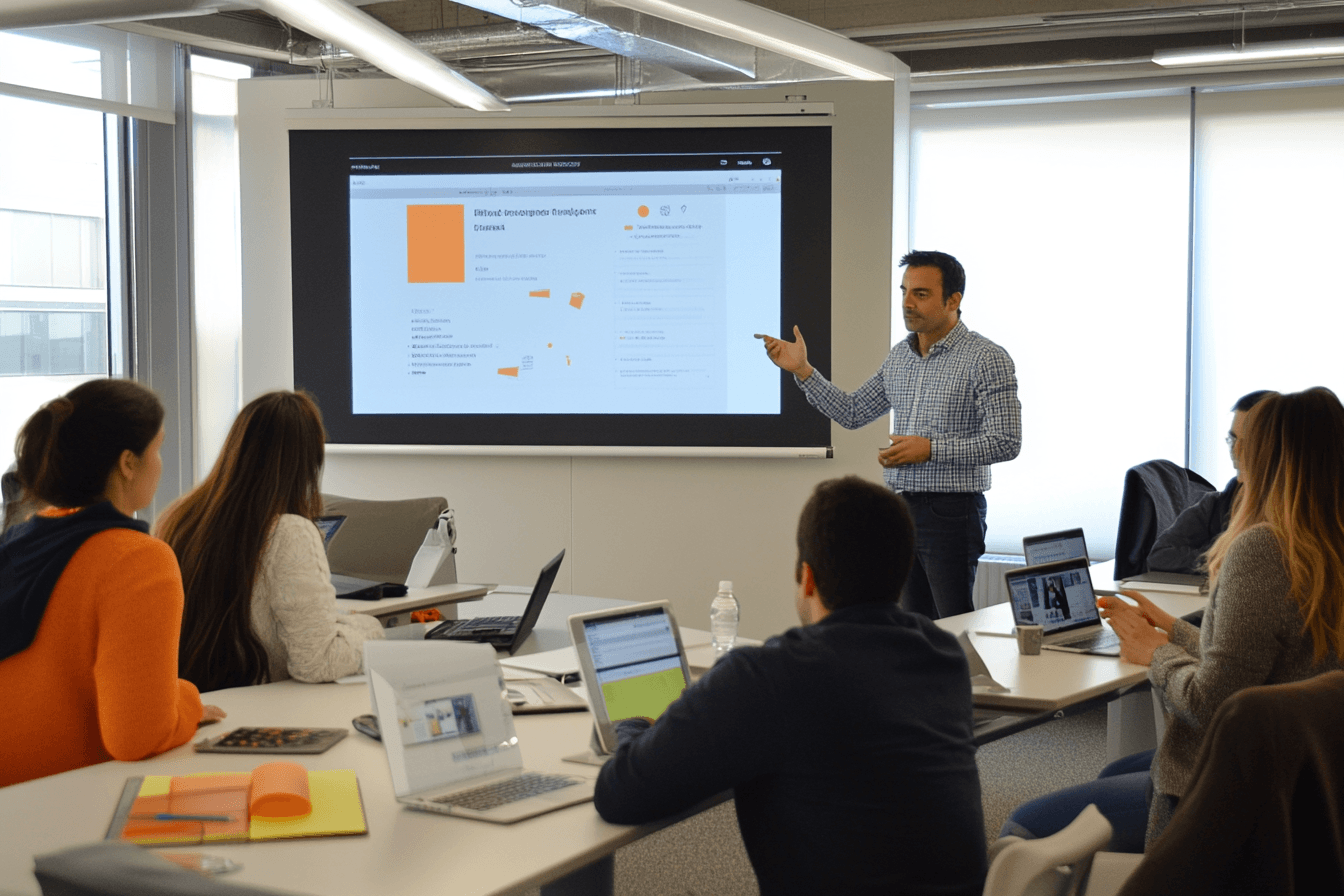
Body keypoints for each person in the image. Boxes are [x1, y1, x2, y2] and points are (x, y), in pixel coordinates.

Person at [593, 476, 986, 896]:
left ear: (808, 577)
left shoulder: (770, 676)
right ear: (904, 569)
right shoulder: (942, 656)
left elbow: (622, 793)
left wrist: (633, 727)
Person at [1002, 387, 1344, 850]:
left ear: (1272, 456)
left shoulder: (1264, 550)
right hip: (1304, 774)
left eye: (1245, 445)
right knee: (1116, 771)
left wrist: (1156, 652)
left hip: (1230, 787)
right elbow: (1263, 660)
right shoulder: (1325, 546)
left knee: (1023, 826)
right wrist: (1172, 628)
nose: (1237, 457)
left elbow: (1211, 704)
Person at [761, 250, 1021, 619]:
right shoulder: (901, 356)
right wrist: (803, 370)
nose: (907, 303)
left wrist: (929, 449)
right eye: (904, 291)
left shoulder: (986, 357)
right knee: (911, 627)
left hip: (951, 512)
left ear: (954, 300)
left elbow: (1007, 440)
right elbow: (852, 413)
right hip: (901, 509)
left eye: (921, 294)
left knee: (953, 624)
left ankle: (960, 679)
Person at [0, 379, 223, 788]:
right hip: (59, 810)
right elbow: (137, 738)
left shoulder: (15, 543)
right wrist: (186, 699)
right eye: (157, 449)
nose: (160, 463)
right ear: (128, 463)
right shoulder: (137, 560)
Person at [157, 390, 383, 692]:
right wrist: (370, 629)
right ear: (308, 462)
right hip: (257, 708)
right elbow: (317, 662)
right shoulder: (289, 532)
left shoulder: (179, 516)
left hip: (194, 703)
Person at [1147, 389, 1272, 575]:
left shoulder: (1296, 515)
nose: (1235, 451)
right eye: (1233, 439)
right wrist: (1221, 559)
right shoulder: (1217, 505)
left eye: (1247, 442)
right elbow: (1160, 556)